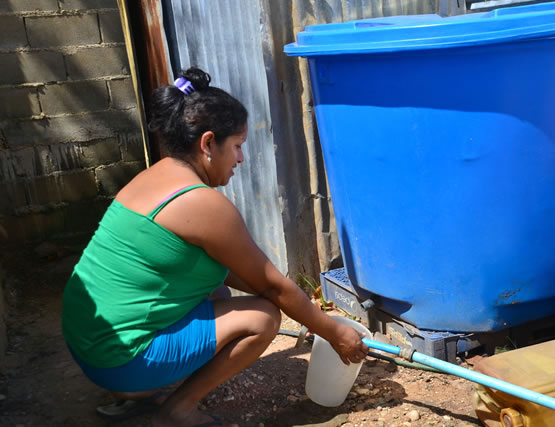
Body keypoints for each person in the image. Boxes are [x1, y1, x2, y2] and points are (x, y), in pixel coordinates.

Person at [61, 67, 368, 427]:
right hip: (118, 359)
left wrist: (286, 300)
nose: (240, 159)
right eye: (237, 146)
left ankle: (133, 395)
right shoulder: (202, 204)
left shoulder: (154, 176)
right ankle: (177, 409)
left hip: (86, 339)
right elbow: (271, 285)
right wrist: (334, 332)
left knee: (218, 287)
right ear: (208, 144)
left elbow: (236, 273)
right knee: (263, 318)